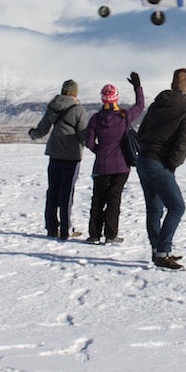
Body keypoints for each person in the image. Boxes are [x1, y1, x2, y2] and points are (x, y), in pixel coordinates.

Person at [136, 68, 186, 270]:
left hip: (143, 159)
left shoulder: (157, 104)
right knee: (177, 207)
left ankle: (158, 250)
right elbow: (183, 143)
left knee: (154, 208)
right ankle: (163, 252)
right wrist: (171, 164)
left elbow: (142, 130)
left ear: (172, 84)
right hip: (159, 163)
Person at [84, 72, 145, 245]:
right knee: (114, 200)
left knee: (97, 199)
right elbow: (140, 105)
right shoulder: (124, 117)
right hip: (121, 166)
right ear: (116, 99)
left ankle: (94, 235)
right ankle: (111, 235)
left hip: (101, 166)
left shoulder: (96, 119)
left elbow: (88, 142)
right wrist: (137, 87)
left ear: (103, 99)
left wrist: (100, 151)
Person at [29, 79, 88, 240]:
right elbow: (84, 135)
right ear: (75, 93)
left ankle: (51, 227)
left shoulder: (53, 106)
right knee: (66, 193)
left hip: (54, 153)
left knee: (53, 191)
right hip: (72, 156)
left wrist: (32, 134)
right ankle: (65, 229)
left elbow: (41, 130)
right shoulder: (78, 109)